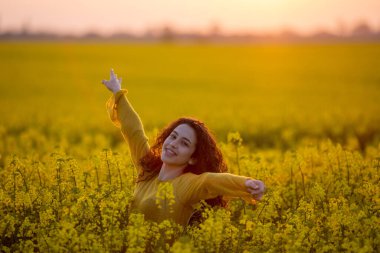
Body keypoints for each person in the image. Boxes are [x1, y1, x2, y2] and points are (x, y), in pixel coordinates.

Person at [102, 69, 265, 226]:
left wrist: (247, 184)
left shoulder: (185, 186)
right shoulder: (147, 170)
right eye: (173, 137)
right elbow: (134, 132)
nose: (173, 144)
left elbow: (209, 181)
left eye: (184, 143)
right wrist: (118, 93)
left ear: (193, 157)